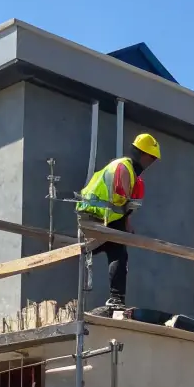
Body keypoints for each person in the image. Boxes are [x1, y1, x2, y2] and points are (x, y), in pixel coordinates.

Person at [78, 133, 161, 311]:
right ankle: (116, 299)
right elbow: (119, 198)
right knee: (113, 252)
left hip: (105, 217)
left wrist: (127, 223)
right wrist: (127, 214)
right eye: (151, 158)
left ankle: (117, 299)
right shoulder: (123, 167)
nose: (151, 163)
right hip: (94, 215)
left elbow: (122, 205)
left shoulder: (130, 171)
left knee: (118, 254)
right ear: (142, 154)